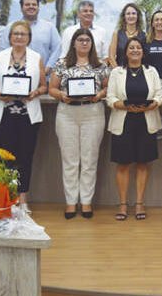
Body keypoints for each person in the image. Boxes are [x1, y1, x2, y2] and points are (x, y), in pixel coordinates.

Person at [48, 29, 109, 219]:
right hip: (67, 113)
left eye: (87, 40)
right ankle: (71, 202)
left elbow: (108, 86)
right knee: (70, 160)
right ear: (73, 43)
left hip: (93, 112)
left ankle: (86, 202)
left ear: (92, 43)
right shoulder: (62, 64)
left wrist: (99, 94)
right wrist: (62, 95)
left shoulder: (99, 65)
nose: (84, 43)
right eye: (80, 39)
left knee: (90, 160)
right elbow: (52, 89)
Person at [0, 20, 48, 209]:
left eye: (23, 34)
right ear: (10, 37)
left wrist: (35, 93)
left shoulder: (36, 57)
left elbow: (43, 86)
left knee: (25, 158)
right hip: (3, 115)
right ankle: (6, 198)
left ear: (29, 38)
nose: (19, 37)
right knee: (4, 158)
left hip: (28, 115)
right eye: (16, 34)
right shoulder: (0, 57)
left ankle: (22, 200)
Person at [106, 37, 162, 221]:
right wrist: (123, 105)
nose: (135, 50)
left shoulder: (151, 71)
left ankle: (139, 203)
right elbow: (110, 98)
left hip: (146, 122)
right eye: (131, 47)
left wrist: (153, 104)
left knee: (142, 163)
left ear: (143, 52)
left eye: (138, 47)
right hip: (123, 122)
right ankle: (122, 204)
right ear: (126, 52)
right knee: (123, 164)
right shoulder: (117, 72)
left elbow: (159, 94)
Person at [0, 0, 61, 72]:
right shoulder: (11, 27)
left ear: (38, 8)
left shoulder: (49, 27)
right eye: (27, 4)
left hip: (43, 75)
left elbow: (57, 49)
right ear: (21, 8)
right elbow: (4, 49)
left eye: (34, 5)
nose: (31, 7)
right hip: (15, 76)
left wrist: (48, 67)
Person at [144, 10, 162, 140]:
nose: (159, 22)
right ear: (152, 23)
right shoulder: (145, 41)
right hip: (150, 83)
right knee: (152, 115)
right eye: (156, 20)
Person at [108, 3, 145, 68]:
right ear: (124, 16)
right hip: (120, 73)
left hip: (139, 73)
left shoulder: (144, 35)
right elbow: (111, 57)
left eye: (133, 13)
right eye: (128, 14)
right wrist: (118, 72)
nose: (131, 16)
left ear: (137, 16)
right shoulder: (116, 34)